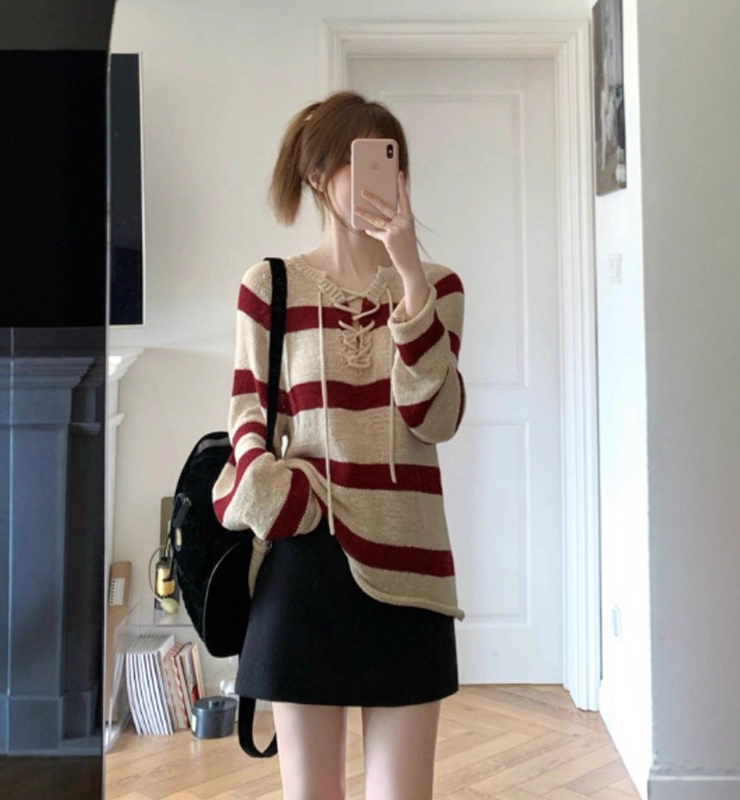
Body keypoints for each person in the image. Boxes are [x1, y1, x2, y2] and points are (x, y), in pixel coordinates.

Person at [212, 90, 467, 800]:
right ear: (320, 175)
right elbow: (246, 421)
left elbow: (434, 418)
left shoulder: (438, 287)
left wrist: (408, 276)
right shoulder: (270, 286)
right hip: (306, 569)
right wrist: (284, 497)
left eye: (395, 163)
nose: (389, 178)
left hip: (412, 572)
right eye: (366, 160)